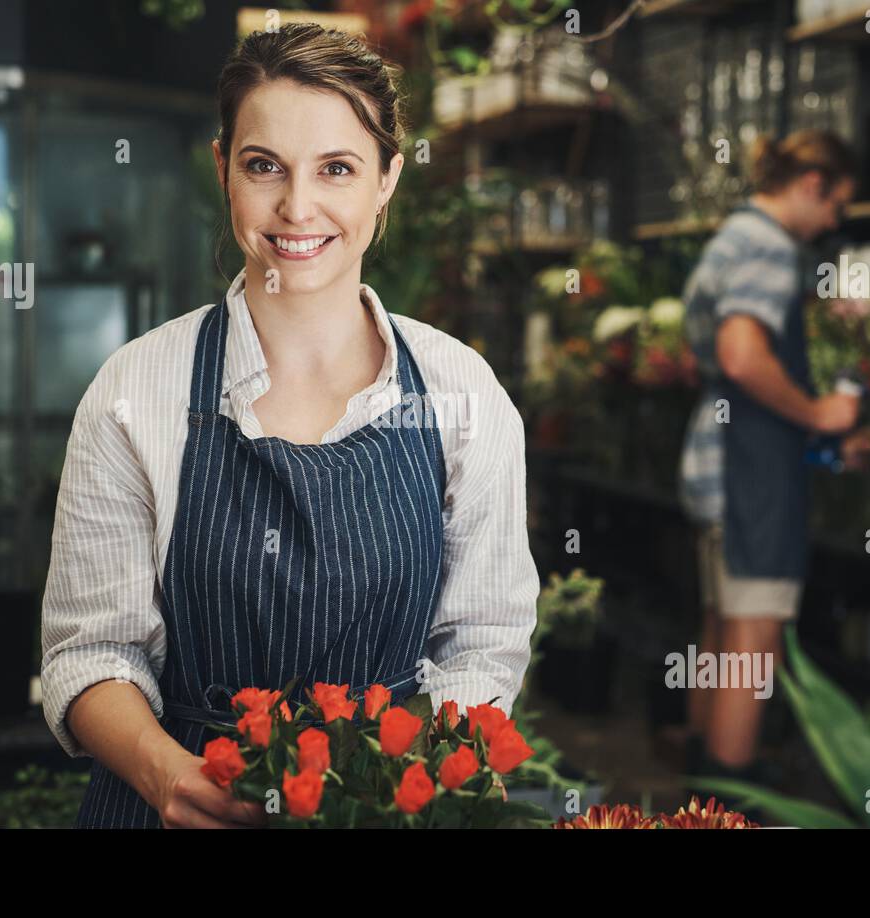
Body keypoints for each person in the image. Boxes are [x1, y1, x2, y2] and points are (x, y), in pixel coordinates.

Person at [39, 22, 539, 829]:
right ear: (222, 170)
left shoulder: (461, 392)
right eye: (263, 165)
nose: (296, 207)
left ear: (387, 181)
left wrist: (397, 793)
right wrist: (169, 775)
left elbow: (480, 644)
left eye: (337, 169)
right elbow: (90, 653)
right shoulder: (137, 387)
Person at [677, 129, 870, 785]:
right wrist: (820, 414)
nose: (831, 224)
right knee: (754, 640)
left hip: (720, 463)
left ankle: (699, 794)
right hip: (751, 474)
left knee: (723, 626)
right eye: (837, 206)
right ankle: (734, 799)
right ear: (814, 186)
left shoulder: (731, 237)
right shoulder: (768, 247)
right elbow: (741, 355)